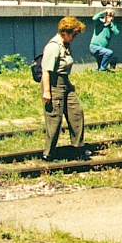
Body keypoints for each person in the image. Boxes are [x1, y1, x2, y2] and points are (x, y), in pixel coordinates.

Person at [41, 16, 90, 161]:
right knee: (54, 119)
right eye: (74, 34)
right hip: (53, 84)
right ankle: (48, 154)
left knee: (76, 112)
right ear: (65, 32)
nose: (75, 37)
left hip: (65, 84)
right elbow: (46, 71)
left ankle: (78, 149)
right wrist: (47, 91)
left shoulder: (65, 46)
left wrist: (69, 85)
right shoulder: (54, 46)